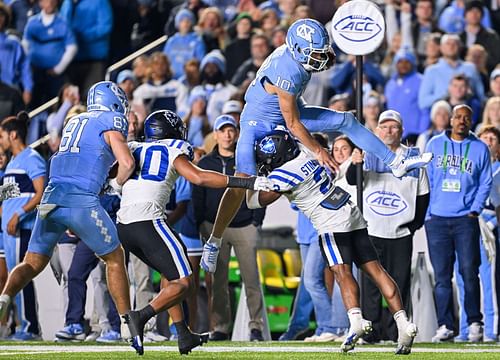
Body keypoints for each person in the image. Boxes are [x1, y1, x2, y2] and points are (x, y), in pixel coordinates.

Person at [200, 18, 433, 274]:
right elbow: (292, 124)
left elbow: (293, 112)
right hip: (259, 123)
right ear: (298, 50)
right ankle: (214, 240)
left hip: (286, 112)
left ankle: (395, 162)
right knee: (239, 182)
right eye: (315, 54)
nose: (320, 59)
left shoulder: (297, 55)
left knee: (346, 120)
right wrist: (319, 150)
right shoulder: (288, 70)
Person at [0, 81, 144, 354]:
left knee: (31, 263)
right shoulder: (111, 119)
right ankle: (127, 324)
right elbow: (126, 163)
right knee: (114, 258)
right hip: (81, 199)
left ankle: (5, 297)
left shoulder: (75, 121)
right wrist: (113, 187)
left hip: (52, 197)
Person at [246, 130, 418, 354]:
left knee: (341, 272)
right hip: (350, 211)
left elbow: (255, 203)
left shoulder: (283, 175)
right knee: (376, 271)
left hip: (330, 222)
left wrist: (249, 182)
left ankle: (356, 320)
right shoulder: (306, 153)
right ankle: (404, 323)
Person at [115, 110, 273, 352]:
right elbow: (198, 177)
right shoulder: (172, 148)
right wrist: (246, 182)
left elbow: (113, 172)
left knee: (170, 276)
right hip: (149, 220)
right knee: (185, 281)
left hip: (124, 225)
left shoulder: (134, 147)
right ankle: (140, 316)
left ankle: (183, 334)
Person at [347, 110, 430, 344]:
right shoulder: (367, 153)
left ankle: (396, 331)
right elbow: (354, 180)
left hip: (400, 232)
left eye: (393, 127)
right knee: (370, 285)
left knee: (400, 282)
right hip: (371, 230)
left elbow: (423, 193)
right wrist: (355, 163)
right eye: (384, 126)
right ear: (376, 130)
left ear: (401, 131)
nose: (388, 131)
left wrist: (415, 224)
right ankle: (371, 332)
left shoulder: (414, 158)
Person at [192, 114, 266, 342]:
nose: (227, 134)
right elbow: (198, 196)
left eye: (231, 130)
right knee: (217, 280)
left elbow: (258, 189)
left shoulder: (247, 160)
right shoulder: (205, 163)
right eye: (223, 130)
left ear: (236, 133)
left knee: (251, 278)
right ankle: (220, 326)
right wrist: (204, 225)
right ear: (215, 134)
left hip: (245, 226)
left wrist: (256, 221)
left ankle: (256, 327)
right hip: (215, 229)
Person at [425, 104, 492, 343]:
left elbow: (485, 182)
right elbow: (427, 179)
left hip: (466, 219)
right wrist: (429, 213)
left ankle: (475, 322)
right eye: (458, 117)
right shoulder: (433, 144)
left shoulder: (480, 148)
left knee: (468, 272)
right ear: (451, 120)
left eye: (467, 118)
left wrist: (475, 210)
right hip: (437, 220)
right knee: (442, 277)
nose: (462, 121)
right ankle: (446, 325)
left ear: (471, 122)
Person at [0, 111, 46, 340]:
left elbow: (41, 192)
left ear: (13, 134)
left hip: (21, 229)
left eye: (2, 136)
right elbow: (9, 196)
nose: (0, 141)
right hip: (8, 231)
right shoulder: (13, 163)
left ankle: (31, 327)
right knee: (12, 280)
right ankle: (20, 325)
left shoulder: (32, 158)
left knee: (21, 278)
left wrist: (18, 214)